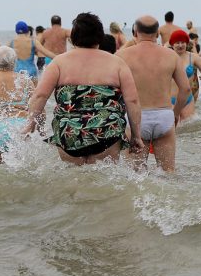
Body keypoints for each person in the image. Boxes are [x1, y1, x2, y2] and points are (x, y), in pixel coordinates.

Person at [25, 13, 144, 165]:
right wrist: (136, 136)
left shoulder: (59, 63)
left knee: (73, 182)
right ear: (100, 36)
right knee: (103, 183)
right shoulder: (117, 64)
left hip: (69, 134)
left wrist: (30, 126)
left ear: (73, 37)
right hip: (107, 132)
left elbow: (40, 96)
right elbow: (132, 101)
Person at [118, 16, 189, 172]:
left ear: (135, 32)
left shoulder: (122, 56)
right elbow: (186, 90)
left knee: (136, 177)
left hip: (136, 119)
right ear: (157, 33)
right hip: (164, 115)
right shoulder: (171, 55)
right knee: (168, 174)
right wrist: (175, 114)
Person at [169, 29, 201, 121]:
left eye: (182, 42)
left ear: (186, 43)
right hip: (170, 100)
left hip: (187, 100)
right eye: (177, 43)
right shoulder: (166, 57)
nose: (180, 45)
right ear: (172, 44)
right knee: (174, 129)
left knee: (189, 129)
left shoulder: (193, 57)